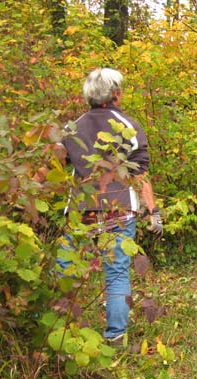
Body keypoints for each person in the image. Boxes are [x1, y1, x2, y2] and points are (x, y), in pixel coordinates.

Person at [53, 68, 162, 346]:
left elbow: (55, 165)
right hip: (120, 210)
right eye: (121, 90)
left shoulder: (72, 127)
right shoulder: (129, 126)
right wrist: (153, 212)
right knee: (116, 274)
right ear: (115, 94)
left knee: (65, 270)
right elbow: (140, 175)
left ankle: (63, 334)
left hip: (80, 211)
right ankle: (115, 338)